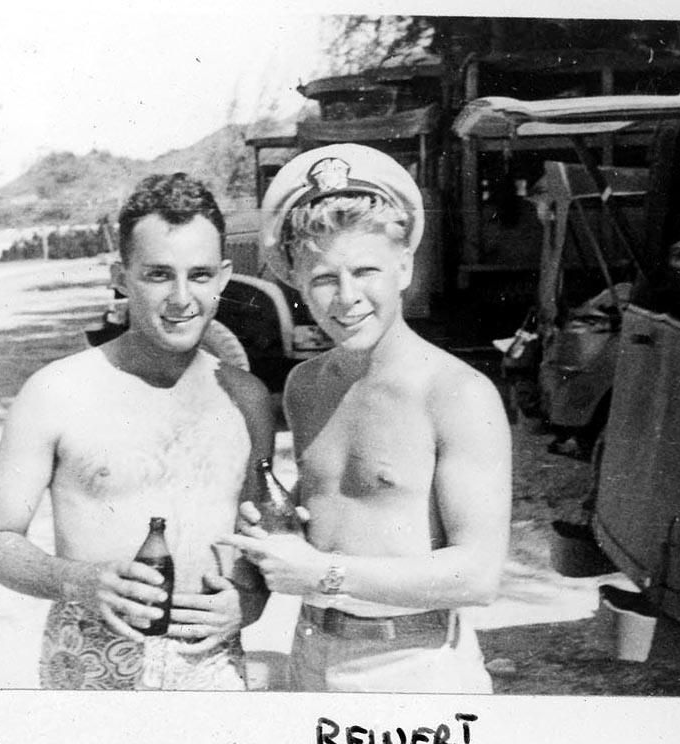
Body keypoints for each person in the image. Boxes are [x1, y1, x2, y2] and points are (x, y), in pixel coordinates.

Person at [219, 144, 512, 693]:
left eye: (366, 270)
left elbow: (479, 575)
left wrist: (321, 574)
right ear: (297, 285)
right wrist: (278, 537)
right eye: (324, 278)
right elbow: (342, 515)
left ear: (404, 266)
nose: (347, 297)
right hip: (312, 651)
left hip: (417, 668)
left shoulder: (458, 394)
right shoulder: (306, 388)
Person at [0, 173, 273, 690]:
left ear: (224, 277)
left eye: (199, 275)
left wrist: (246, 603)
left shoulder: (245, 398)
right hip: (89, 664)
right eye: (158, 275)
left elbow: (255, 548)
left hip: (213, 671)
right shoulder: (56, 392)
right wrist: (76, 579)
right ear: (120, 275)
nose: (182, 298)